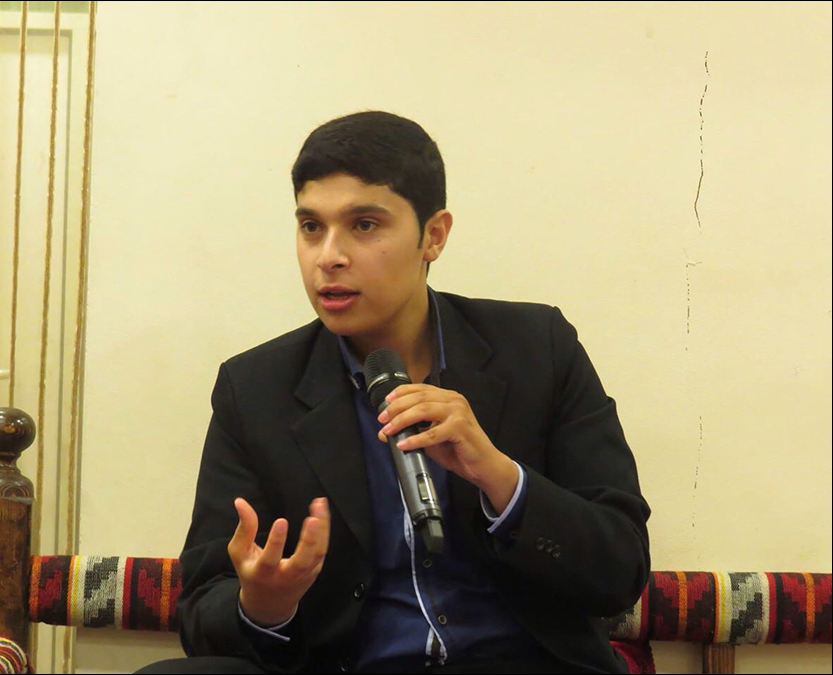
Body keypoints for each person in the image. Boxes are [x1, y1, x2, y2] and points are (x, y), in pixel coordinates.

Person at [137, 111, 650, 674]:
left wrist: (499, 477)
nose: (328, 256)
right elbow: (201, 611)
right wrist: (263, 605)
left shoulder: (538, 348)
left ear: (434, 235)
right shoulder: (256, 388)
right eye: (311, 227)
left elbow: (620, 570)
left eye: (364, 225)